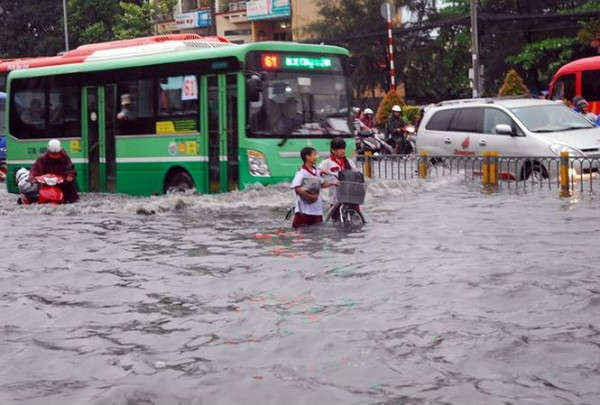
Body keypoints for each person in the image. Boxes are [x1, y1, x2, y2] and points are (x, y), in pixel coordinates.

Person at [290, 147, 333, 229]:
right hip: (304, 211)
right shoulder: (301, 172)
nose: (317, 157)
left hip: (317, 210)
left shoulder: (317, 171)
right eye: (314, 155)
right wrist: (311, 196)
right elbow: (297, 188)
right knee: (299, 233)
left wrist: (333, 183)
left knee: (316, 236)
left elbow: (322, 185)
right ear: (307, 157)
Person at [319, 137, 359, 221]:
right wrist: (323, 173)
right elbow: (318, 173)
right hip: (335, 198)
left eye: (343, 148)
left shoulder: (349, 162)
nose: (343, 151)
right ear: (333, 150)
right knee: (336, 222)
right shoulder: (326, 162)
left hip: (350, 196)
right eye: (340, 149)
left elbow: (357, 174)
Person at [27, 139, 79, 203]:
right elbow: (35, 169)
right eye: (52, 154)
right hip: (46, 183)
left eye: (56, 154)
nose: (54, 156)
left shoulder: (65, 158)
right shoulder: (42, 159)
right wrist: (32, 177)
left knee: (71, 189)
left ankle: (72, 199)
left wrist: (70, 176)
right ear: (48, 151)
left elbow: (71, 169)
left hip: (62, 182)